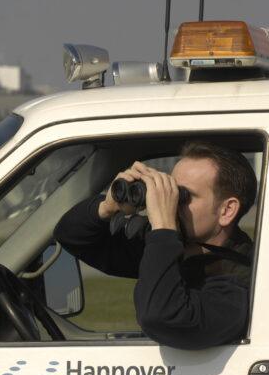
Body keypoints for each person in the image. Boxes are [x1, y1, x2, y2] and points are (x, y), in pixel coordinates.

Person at [53, 141, 257, 350]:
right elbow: (71, 236)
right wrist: (106, 207)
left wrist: (163, 229)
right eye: (170, 189)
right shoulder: (178, 247)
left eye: (183, 195)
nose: (171, 201)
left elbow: (161, 317)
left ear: (227, 210)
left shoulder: (241, 282)